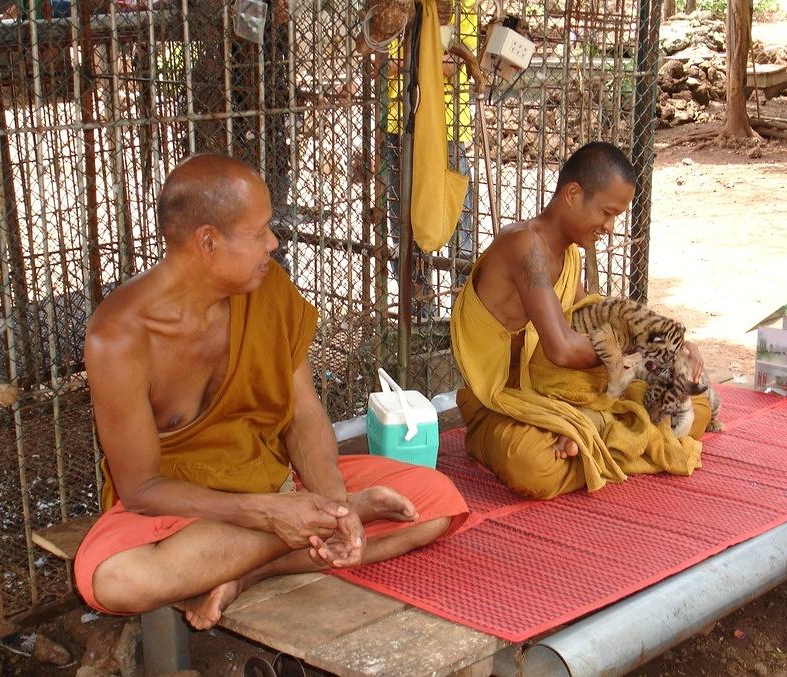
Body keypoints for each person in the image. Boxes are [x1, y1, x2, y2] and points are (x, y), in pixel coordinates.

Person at [75, 154, 468, 631]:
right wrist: (271, 513)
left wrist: (332, 503)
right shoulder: (118, 337)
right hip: (185, 512)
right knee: (116, 580)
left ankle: (247, 573)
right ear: (208, 243)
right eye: (260, 231)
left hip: (273, 485)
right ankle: (295, 539)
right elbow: (141, 490)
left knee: (436, 502)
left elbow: (302, 412)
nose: (274, 243)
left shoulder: (266, 289)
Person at [450, 142, 711, 499]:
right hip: (502, 404)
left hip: (555, 395)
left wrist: (670, 344)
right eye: (606, 212)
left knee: (696, 407)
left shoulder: (567, 255)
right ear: (573, 193)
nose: (610, 227)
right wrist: (647, 351)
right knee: (534, 466)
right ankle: (606, 435)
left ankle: (592, 431)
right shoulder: (524, 246)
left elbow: (594, 320)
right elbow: (562, 348)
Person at [382, 0, 477, 316]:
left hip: (446, 129)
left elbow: (449, 64)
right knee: (403, 226)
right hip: (397, 123)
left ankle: (464, 313)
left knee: (456, 226)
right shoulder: (398, 5)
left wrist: (407, 56)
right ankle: (422, 317)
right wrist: (423, 55)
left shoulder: (459, 5)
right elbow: (377, 58)